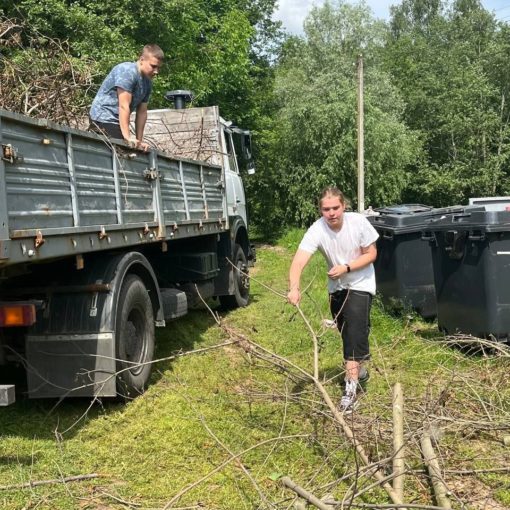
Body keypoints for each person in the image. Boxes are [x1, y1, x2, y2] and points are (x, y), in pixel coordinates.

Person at [287, 187, 379, 412]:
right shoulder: (317, 229)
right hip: (336, 287)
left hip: (360, 283)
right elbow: (298, 261)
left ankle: (350, 391)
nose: (331, 213)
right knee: (347, 330)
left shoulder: (358, 223)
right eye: (326, 209)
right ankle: (360, 367)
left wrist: (346, 267)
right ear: (320, 210)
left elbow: (371, 253)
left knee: (353, 332)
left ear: (343, 206)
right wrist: (294, 288)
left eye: (335, 208)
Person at [89, 44, 164, 151]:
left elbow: (142, 112)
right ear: (142, 59)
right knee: (124, 151)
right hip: (103, 117)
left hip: (117, 121)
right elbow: (124, 106)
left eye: (158, 67)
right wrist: (127, 137)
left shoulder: (147, 82)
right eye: (153, 66)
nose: (156, 71)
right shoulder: (127, 71)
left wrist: (139, 141)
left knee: (134, 150)